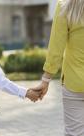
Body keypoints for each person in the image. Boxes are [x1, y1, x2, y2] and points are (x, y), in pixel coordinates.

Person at [31, 0, 84, 135]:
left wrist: (46, 80)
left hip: (74, 82)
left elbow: (56, 48)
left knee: (74, 133)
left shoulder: (65, 6)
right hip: (74, 84)